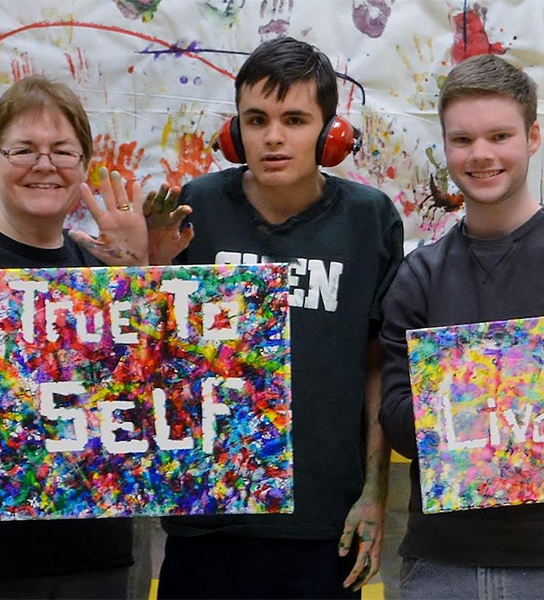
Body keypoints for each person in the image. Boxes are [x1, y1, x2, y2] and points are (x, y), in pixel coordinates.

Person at [378, 54, 544, 599]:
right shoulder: (419, 277)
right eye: (462, 140)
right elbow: (395, 411)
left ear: (532, 138)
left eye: (499, 135)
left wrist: (519, 445)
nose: (480, 155)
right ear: (446, 146)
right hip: (439, 560)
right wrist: (501, 431)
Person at [148, 36, 404, 599]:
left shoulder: (370, 219)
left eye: (294, 119)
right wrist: (144, 267)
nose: (273, 136)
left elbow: (377, 364)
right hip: (206, 516)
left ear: (330, 133)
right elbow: (157, 353)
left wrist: (374, 493)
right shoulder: (197, 207)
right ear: (235, 133)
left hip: (322, 524)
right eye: (256, 119)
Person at [0, 75, 161, 599]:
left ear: (84, 167)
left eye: (63, 151)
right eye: (24, 150)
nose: (45, 165)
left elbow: (150, 398)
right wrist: (82, 329)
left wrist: (136, 276)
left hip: (94, 550)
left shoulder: (98, 267)